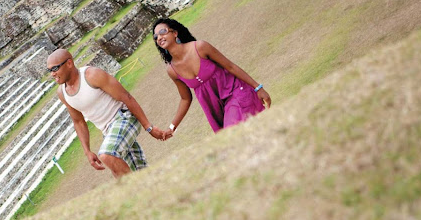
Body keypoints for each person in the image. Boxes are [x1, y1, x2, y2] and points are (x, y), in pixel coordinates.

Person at [48, 49, 164, 178]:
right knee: (134, 171)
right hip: (108, 132)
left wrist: (149, 127)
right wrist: (87, 151)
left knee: (107, 155)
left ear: (69, 63)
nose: (52, 74)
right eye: (50, 70)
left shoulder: (91, 75)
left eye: (55, 68)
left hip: (124, 117)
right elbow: (78, 121)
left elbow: (126, 97)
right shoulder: (62, 93)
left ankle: (137, 189)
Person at [152, 19, 270, 136]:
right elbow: (185, 99)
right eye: (155, 37)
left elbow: (231, 67)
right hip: (215, 112)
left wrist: (258, 88)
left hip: (235, 93)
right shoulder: (172, 70)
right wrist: (172, 127)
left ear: (175, 33)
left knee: (233, 135)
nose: (159, 37)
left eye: (163, 31)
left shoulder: (200, 47)